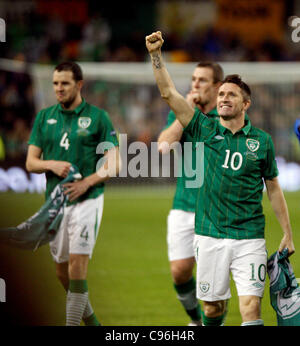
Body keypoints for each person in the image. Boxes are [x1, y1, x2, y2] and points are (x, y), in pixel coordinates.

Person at [146, 31, 295, 326]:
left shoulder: (261, 141)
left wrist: (287, 232)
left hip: (249, 238)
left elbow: (274, 188)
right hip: (209, 235)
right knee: (212, 309)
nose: (224, 98)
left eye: (231, 95)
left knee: (251, 307)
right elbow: (168, 93)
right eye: (222, 94)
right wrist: (155, 56)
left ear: (246, 104)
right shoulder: (202, 128)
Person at [26, 61, 120, 326]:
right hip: (55, 203)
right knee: (62, 272)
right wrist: (50, 164)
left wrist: (87, 182)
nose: (58, 88)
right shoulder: (44, 117)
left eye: (64, 83)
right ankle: (93, 324)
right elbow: (31, 162)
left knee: (77, 267)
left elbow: (114, 163)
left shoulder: (98, 117)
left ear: (79, 85)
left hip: (87, 201)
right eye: (55, 83)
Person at [157, 62, 223, 325]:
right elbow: (163, 146)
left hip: (216, 210)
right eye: (194, 79)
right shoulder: (182, 113)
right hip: (183, 205)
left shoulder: (227, 115)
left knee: (212, 285)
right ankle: (195, 320)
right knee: (180, 271)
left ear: (217, 86)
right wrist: (187, 113)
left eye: (203, 80)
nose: (195, 84)